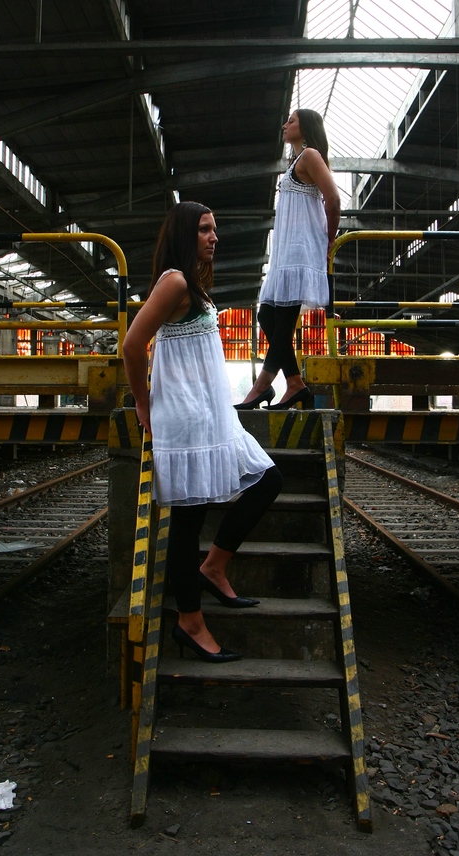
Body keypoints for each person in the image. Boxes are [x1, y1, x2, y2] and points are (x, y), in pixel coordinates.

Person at [123, 202, 284, 663]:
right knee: (187, 522)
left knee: (268, 480)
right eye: (204, 230)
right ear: (183, 234)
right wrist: (141, 400)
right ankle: (190, 623)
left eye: (215, 228)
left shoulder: (192, 283)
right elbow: (133, 345)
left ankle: (213, 567)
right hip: (187, 418)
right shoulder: (174, 280)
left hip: (211, 417)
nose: (215, 237)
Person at [235, 109, 341, 411]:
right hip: (287, 253)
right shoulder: (297, 160)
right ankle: (294, 383)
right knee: (267, 317)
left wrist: (330, 239)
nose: (284, 125)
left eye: (291, 121)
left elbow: (333, 199)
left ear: (305, 128)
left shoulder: (310, 155)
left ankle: (261, 388)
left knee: (279, 321)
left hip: (300, 250)